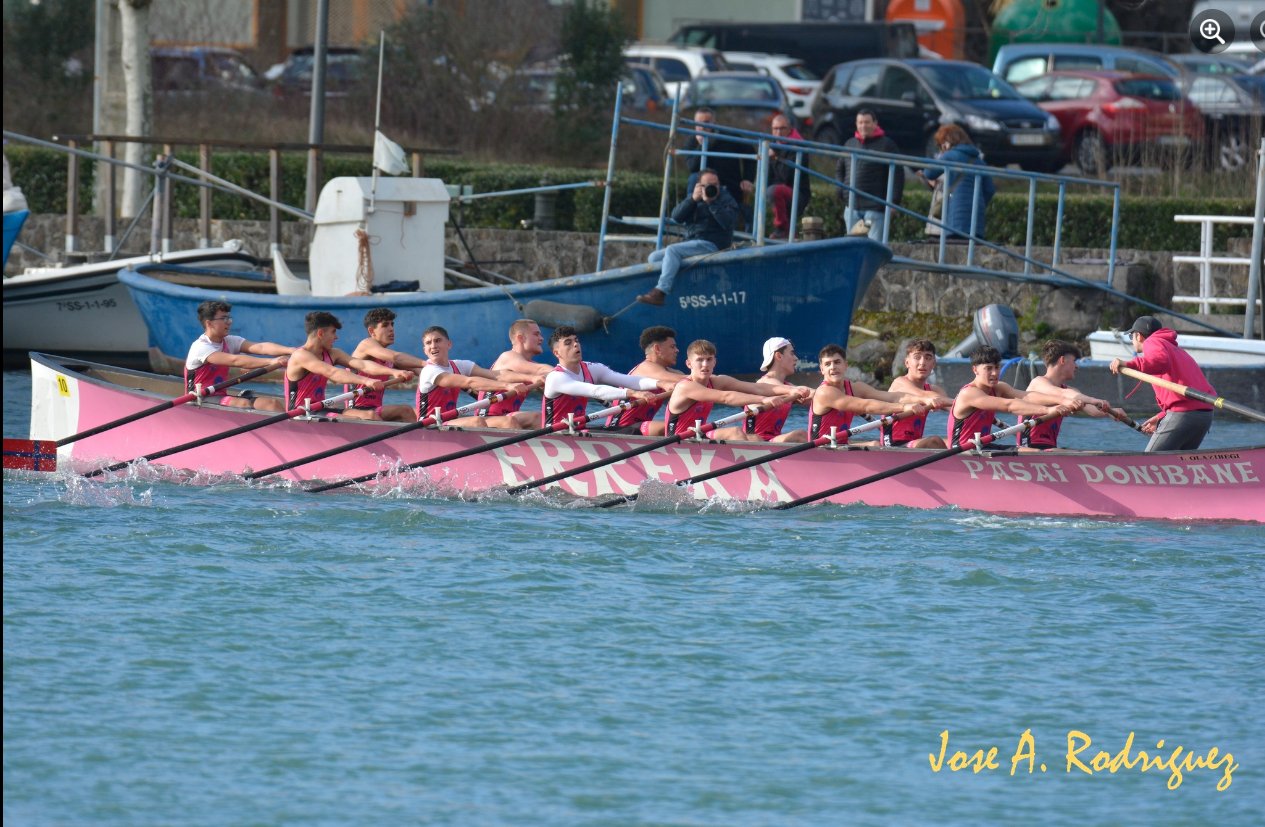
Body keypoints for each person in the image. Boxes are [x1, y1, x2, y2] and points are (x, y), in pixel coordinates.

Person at [1109, 316, 1216, 451]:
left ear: (1139, 336)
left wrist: (1127, 364)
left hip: (1184, 414)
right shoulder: (1175, 350)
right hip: (1204, 415)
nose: (1132, 341)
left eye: (1132, 337)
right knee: (1179, 463)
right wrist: (1162, 416)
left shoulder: (1152, 342)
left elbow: (1159, 363)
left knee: (1151, 463)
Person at [664, 339, 804, 441]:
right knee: (735, 433)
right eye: (700, 360)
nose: (705, 365)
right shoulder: (685, 386)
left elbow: (756, 387)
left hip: (697, 436)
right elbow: (727, 397)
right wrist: (764, 400)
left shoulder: (718, 381)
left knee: (739, 433)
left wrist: (790, 390)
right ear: (689, 364)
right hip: (676, 442)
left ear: (715, 362)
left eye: (709, 359)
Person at [637, 168, 739, 306]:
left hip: (713, 243)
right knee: (654, 258)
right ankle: (671, 290)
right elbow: (676, 217)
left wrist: (711, 203)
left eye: (715, 184)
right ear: (699, 185)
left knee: (672, 250)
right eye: (707, 185)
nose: (712, 187)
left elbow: (728, 223)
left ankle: (660, 292)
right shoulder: (694, 198)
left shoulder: (726, 199)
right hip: (692, 243)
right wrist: (691, 200)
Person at [285, 311, 415, 418]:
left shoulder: (333, 353)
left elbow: (363, 365)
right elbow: (333, 372)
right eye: (333, 332)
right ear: (320, 333)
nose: (336, 338)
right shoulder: (300, 355)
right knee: (364, 416)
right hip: (300, 413)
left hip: (320, 409)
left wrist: (394, 372)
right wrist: (367, 380)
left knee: (376, 415)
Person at [947, 346, 1078, 449]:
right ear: (975, 370)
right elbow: (1009, 405)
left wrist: (1062, 401)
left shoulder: (999, 387)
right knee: (1031, 454)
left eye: (997, 367)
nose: (994, 373)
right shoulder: (969, 393)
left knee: (1032, 453)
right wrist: (1048, 410)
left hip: (982, 446)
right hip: (963, 451)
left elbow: (1026, 396)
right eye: (988, 368)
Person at [542, 326, 669, 428]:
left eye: (576, 341)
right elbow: (596, 391)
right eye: (568, 343)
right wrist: (634, 393)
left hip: (577, 430)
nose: (575, 345)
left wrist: (661, 384)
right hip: (553, 435)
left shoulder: (592, 368)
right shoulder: (556, 378)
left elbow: (627, 380)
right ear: (556, 352)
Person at [810, 344, 934, 445]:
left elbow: (894, 396)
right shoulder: (824, 392)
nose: (833, 367)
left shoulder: (857, 387)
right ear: (822, 369)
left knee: (874, 444)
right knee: (874, 445)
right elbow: (866, 406)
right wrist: (904, 407)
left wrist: (924, 400)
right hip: (821, 449)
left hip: (840, 445)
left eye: (837, 362)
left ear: (845, 365)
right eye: (827, 364)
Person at [184, 300, 295, 412]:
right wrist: (272, 362)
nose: (229, 322)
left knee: (272, 404)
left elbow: (261, 347)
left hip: (220, 397)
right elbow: (235, 360)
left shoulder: (230, 341)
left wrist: (290, 350)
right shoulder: (200, 347)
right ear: (209, 323)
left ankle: (290, 429)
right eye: (223, 318)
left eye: (229, 318)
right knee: (243, 404)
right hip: (199, 398)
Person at [415, 325, 535, 427]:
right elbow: (469, 382)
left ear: (449, 344)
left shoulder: (459, 365)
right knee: (477, 421)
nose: (433, 346)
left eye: (437, 340)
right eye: (428, 343)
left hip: (448, 421)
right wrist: (508, 386)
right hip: (430, 425)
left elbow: (495, 375)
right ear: (425, 350)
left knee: (509, 421)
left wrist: (532, 378)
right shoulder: (429, 371)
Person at [1019, 340, 1124, 450]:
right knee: (1088, 455)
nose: (1077, 366)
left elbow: (1092, 409)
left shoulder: (1071, 391)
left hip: (1049, 448)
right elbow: (1062, 394)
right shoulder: (1038, 383)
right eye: (1074, 361)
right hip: (1029, 446)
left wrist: (1111, 412)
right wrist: (1093, 399)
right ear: (1062, 360)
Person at [344, 308, 429, 422]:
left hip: (375, 409)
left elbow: (419, 370)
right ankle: (419, 438)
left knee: (419, 412)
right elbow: (396, 357)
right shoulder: (366, 345)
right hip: (354, 410)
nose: (391, 329)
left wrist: (436, 373)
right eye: (385, 325)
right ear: (372, 331)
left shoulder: (387, 359)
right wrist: (427, 363)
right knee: (405, 410)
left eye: (392, 325)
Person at [835, 109, 905, 241]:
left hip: (875, 208)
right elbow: (839, 169)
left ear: (875, 123)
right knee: (853, 247)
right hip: (852, 207)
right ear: (856, 124)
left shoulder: (887, 145)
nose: (863, 126)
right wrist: (840, 189)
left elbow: (898, 174)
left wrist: (894, 201)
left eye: (867, 122)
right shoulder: (849, 143)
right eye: (860, 122)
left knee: (873, 249)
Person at [916, 124, 995, 241]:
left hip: (956, 216)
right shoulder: (978, 160)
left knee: (953, 251)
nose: (940, 148)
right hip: (976, 218)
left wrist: (941, 156)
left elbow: (929, 173)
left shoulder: (950, 156)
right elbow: (990, 189)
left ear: (947, 141)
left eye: (940, 144)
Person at [604, 326, 686, 436]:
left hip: (641, 427)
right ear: (657, 349)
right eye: (672, 347)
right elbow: (688, 380)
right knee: (674, 427)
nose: (677, 350)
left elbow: (692, 379)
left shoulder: (668, 372)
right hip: (621, 429)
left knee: (682, 425)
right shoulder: (645, 368)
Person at [884, 339, 954, 448]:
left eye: (928, 358)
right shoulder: (899, 383)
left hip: (914, 443)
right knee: (934, 441)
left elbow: (956, 410)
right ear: (907, 362)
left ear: (933, 363)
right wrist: (961, 401)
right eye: (917, 357)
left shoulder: (936, 390)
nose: (922, 362)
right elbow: (923, 395)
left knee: (954, 443)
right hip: (893, 444)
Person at [481, 319, 551, 429]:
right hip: (487, 419)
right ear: (520, 338)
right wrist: (561, 372)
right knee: (538, 418)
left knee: (553, 417)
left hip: (510, 418)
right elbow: (540, 369)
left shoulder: (530, 367)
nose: (541, 338)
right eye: (536, 334)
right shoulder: (508, 357)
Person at [682, 107, 754, 210]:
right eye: (698, 123)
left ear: (714, 123)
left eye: (706, 122)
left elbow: (751, 152)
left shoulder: (729, 137)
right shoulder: (691, 141)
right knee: (694, 178)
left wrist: (748, 179)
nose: (702, 127)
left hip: (729, 187)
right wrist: (702, 145)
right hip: (703, 190)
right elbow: (692, 167)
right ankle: (691, 214)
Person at [743, 337, 813, 443]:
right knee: (800, 435)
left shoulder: (787, 387)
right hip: (754, 442)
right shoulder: (766, 383)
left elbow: (814, 397)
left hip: (773, 442)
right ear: (779, 356)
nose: (796, 358)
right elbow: (806, 391)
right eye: (792, 353)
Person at [766, 114, 811, 240]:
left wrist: (775, 158)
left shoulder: (799, 146)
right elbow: (768, 178)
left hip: (798, 194)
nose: (778, 132)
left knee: (774, 190)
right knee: (769, 190)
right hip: (780, 193)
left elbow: (786, 176)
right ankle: (786, 230)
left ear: (790, 129)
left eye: (782, 128)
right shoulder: (772, 146)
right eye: (775, 129)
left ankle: (782, 228)